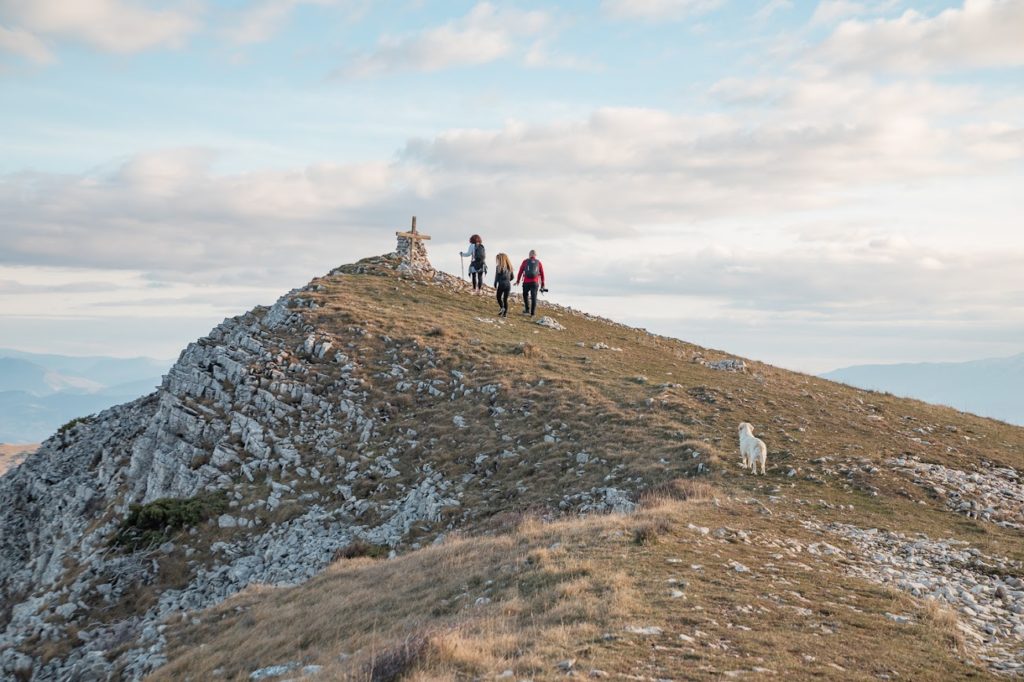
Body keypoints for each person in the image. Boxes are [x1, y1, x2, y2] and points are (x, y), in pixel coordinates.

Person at [515, 249, 545, 316]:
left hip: (526, 282)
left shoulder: (525, 261)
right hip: (535, 282)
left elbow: (520, 271)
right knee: (534, 297)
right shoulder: (539, 263)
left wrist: (518, 280)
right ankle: (533, 313)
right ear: (535, 255)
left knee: (525, 295)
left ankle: (527, 309)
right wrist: (543, 284)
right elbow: (542, 274)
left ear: (529, 255)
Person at [493, 253, 514, 317]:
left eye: (498, 260)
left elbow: (497, 277)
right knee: (505, 299)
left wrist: (495, 283)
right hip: (508, 285)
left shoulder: (499, 267)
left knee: (498, 297)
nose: (498, 261)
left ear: (501, 260)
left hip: (501, 285)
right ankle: (505, 314)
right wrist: (507, 280)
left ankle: (502, 308)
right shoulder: (510, 267)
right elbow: (512, 277)